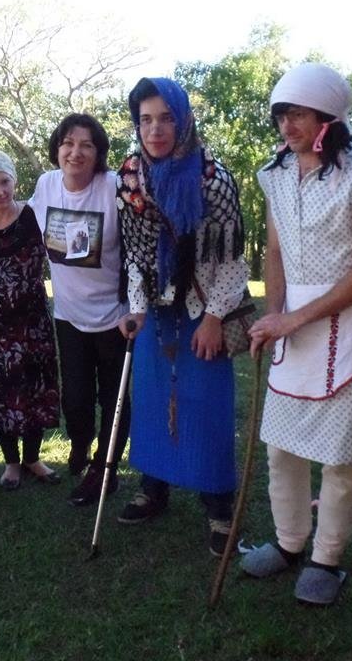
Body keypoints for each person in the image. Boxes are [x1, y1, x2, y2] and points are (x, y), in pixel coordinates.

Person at [243, 63, 352, 605]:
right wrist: (274, 315)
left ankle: (326, 559)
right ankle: (288, 543)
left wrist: (294, 318)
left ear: (328, 118)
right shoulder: (276, 175)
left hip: (345, 325)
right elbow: (275, 251)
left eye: (298, 115)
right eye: (281, 115)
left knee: (340, 458)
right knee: (281, 449)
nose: (287, 126)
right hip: (292, 329)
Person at [115, 77, 250, 557]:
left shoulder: (214, 180)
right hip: (155, 307)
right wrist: (135, 307)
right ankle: (154, 488)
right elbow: (135, 253)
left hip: (203, 307)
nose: (155, 129)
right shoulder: (130, 178)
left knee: (206, 404)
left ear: (184, 120)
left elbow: (232, 259)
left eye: (166, 118)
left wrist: (214, 318)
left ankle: (218, 505)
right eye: (145, 120)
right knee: (152, 401)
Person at [28, 113, 130, 506]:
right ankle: (81, 442)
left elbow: (138, 247)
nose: (76, 152)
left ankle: (103, 471)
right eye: (68, 143)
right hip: (69, 317)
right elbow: (25, 216)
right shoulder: (47, 184)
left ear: (98, 152)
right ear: (57, 148)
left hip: (115, 318)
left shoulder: (114, 187)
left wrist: (135, 306)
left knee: (114, 399)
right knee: (75, 398)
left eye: (86, 144)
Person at [0, 149, 61, 490]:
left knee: (34, 386)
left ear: (14, 180)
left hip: (31, 318)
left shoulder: (36, 216)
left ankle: (32, 458)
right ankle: (11, 463)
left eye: (4, 182)